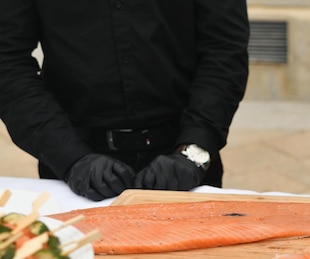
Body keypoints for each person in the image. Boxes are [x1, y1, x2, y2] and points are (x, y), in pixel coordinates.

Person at [0, 0, 249, 201]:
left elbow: (225, 50)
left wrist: (194, 150)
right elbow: (7, 61)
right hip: (72, 162)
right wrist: (69, 157)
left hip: (184, 157)